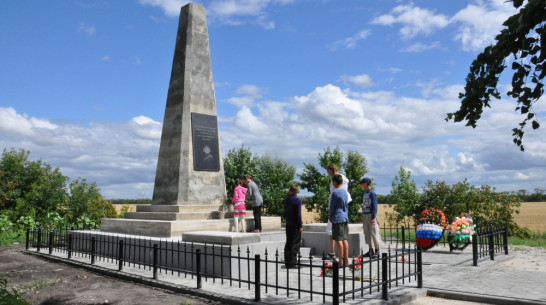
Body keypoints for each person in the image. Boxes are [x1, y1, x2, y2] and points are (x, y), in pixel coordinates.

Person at [325, 164, 352, 259]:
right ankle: (335, 253)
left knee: (339, 238)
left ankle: (341, 258)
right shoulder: (336, 179)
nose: (328, 173)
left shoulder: (340, 179)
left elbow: (340, 194)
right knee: (337, 234)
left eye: (328, 171)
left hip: (337, 211)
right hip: (341, 212)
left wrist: (331, 215)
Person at [329, 174, 349, 266]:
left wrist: (330, 216)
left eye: (333, 182)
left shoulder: (335, 193)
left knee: (338, 240)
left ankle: (341, 261)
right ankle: (347, 260)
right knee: (344, 239)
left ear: (335, 182)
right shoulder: (345, 192)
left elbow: (332, 206)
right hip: (345, 217)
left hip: (337, 218)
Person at [359, 177, 382, 258]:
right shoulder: (365, 193)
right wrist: (363, 215)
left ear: (365, 184)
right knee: (367, 233)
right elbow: (364, 204)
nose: (361, 186)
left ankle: (377, 250)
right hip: (365, 215)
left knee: (374, 232)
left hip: (371, 215)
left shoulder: (372, 193)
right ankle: (370, 250)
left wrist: (373, 217)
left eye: (362, 184)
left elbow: (375, 205)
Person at [283, 183, 303, 269]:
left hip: (288, 224)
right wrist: (300, 225)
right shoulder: (298, 200)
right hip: (295, 225)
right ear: (297, 191)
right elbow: (298, 214)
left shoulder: (286, 199)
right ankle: (293, 262)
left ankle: (287, 262)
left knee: (289, 242)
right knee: (295, 244)